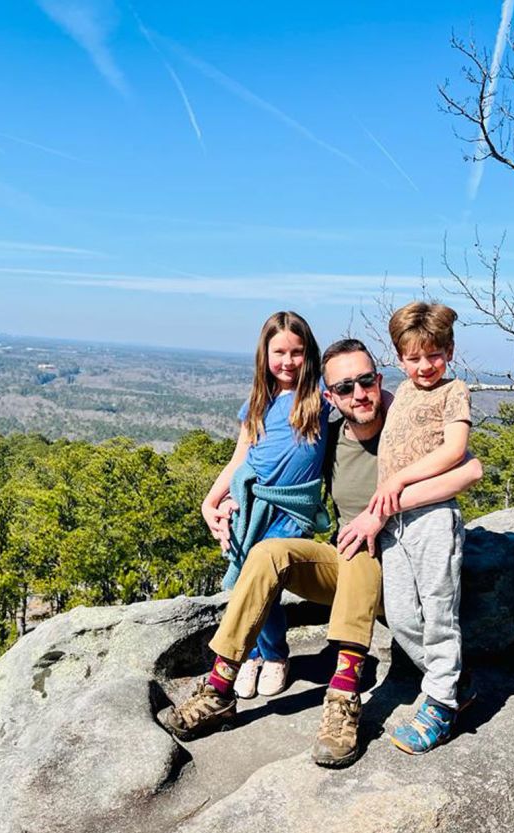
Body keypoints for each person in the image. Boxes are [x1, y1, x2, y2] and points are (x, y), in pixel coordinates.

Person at [163, 338, 482, 768]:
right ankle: (220, 689)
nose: (359, 394)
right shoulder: (330, 436)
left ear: (380, 380)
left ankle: (344, 697)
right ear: (330, 396)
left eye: (366, 381)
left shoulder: (403, 423)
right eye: (345, 387)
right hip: (351, 573)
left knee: (359, 545)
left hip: (403, 569)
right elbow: (260, 456)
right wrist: (224, 499)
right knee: (268, 554)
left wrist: (379, 512)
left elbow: (470, 469)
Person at [199, 310, 331, 699]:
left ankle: (275, 656)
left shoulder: (319, 396)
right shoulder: (258, 402)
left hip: (290, 509)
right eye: (279, 352)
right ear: (265, 354)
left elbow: (365, 395)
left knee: (265, 583)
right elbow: (241, 458)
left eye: (297, 352)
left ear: (309, 355)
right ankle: (252, 655)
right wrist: (210, 502)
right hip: (250, 504)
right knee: (245, 581)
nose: (288, 362)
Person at [370, 301, 472, 755]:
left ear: (448, 350)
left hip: (433, 517)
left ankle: (440, 705)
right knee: (402, 615)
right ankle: (454, 681)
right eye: (413, 357)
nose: (425, 366)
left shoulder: (454, 392)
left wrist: (399, 480)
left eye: (433, 355)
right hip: (396, 524)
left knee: (438, 610)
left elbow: (455, 452)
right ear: (398, 358)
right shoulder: (403, 392)